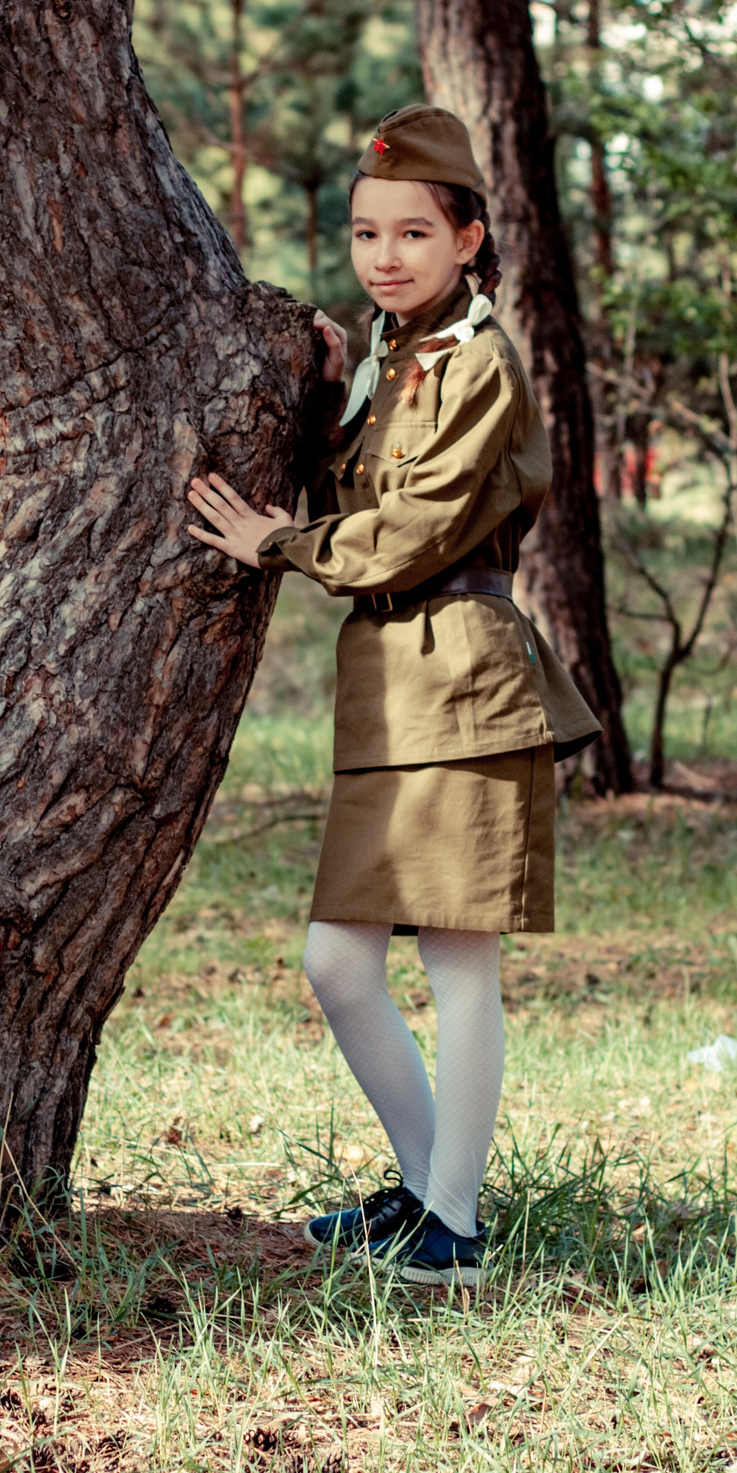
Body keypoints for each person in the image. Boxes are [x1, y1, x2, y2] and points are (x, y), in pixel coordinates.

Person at [185, 105, 598, 1288]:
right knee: (336, 960)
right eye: (369, 232)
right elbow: (349, 478)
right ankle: (427, 1190)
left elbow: (412, 530)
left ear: (469, 237)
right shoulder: (392, 357)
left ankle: (454, 1227)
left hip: (465, 682)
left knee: (460, 962)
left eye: (415, 231)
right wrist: (324, 386)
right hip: (387, 692)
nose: (386, 254)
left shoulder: (479, 362)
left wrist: (280, 543)